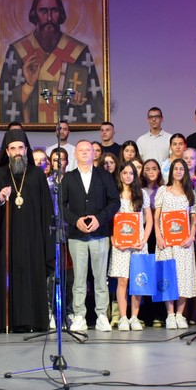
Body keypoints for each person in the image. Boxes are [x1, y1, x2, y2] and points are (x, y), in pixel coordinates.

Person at [0, 128, 56, 332]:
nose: (17, 152)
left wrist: (47, 241)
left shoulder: (37, 174)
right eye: (13, 148)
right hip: (9, 239)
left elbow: (46, 209)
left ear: (26, 150)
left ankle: (36, 321)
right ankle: (11, 322)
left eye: (20, 148)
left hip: (34, 239)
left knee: (34, 277)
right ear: (7, 151)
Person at [0, 0, 103, 125]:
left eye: (54, 10)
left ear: (60, 14)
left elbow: (96, 104)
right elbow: (3, 103)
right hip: (31, 128)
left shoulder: (79, 52)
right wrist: (28, 86)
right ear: (34, 15)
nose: (49, 17)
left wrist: (80, 101)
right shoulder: (18, 51)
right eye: (43, 11)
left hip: (66, 127)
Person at [62, 140, 120, 332]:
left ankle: (102, 315)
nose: (85, 153)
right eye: (81, 150)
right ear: (75, 154)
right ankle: (79, 316)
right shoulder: (69, 177)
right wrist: (75, 220)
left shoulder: (104, 176)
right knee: (78, 278)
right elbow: (60, 205)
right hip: (77, 235)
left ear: (94, 154)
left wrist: (100, 219)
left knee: (100, 277)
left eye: (88, 150)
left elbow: (115, 202)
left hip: (100, 234)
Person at [154, 158, 196, 329]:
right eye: (176, 168)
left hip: (184, 242)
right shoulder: (163, 191)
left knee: (183, 277)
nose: (179, 171)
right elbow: (156, 217)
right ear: (171, 171)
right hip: (166, 241)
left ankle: (180, 315)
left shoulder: (190, 192)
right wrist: (159, 236)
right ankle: (170, 315)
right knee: (168, 276)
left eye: (182, 169)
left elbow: (193, 218)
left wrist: (192, 236)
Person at [109, 161, 152, 331]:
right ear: (119, 174)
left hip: (138, 243)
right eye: (125, 173)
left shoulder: (141, 194)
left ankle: (134, 317)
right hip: (120, 244)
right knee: (122, 280)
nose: (128, 176)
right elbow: (109, 219)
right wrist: (113, 239)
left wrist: (144, 240)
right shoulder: (114, 193)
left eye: (131, 173)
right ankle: (123, 317)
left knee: (138, 280)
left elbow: (149, 220)